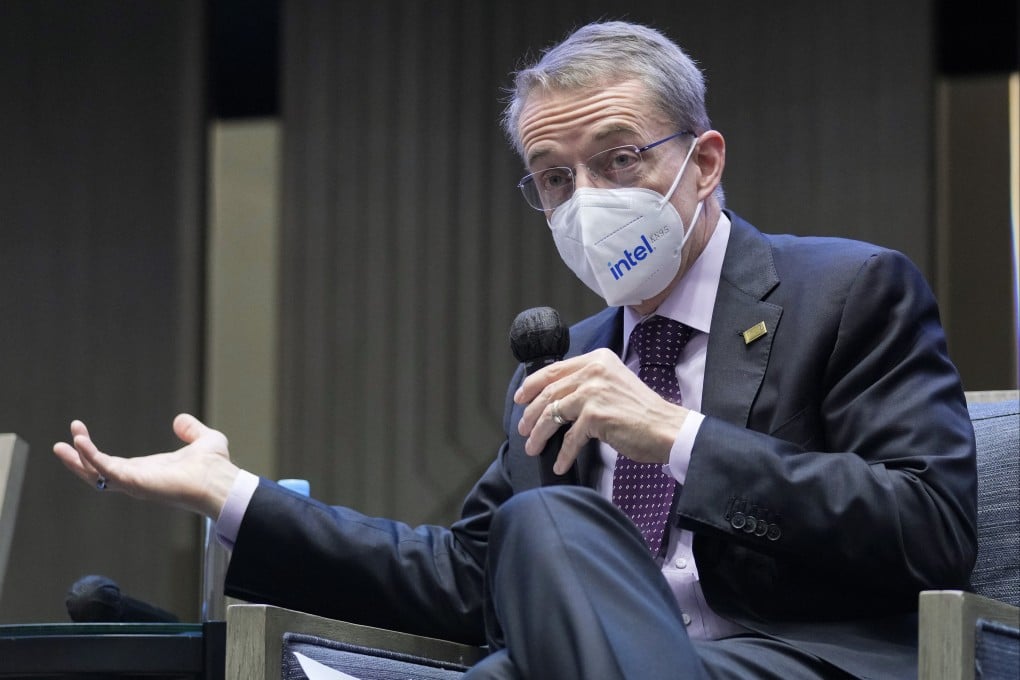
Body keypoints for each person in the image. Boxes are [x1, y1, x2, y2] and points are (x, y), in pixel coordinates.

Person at [54, 21, 976, 679]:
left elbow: (932, 530)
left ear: (703, 162)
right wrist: (232, 494)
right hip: (580, 660)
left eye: (619, 159)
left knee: (545, 530)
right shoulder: (567, 360)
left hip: (791, 658)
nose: (587, 199)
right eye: (554, 179)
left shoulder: (848, 290)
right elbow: (469, 578)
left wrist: (676, 437)